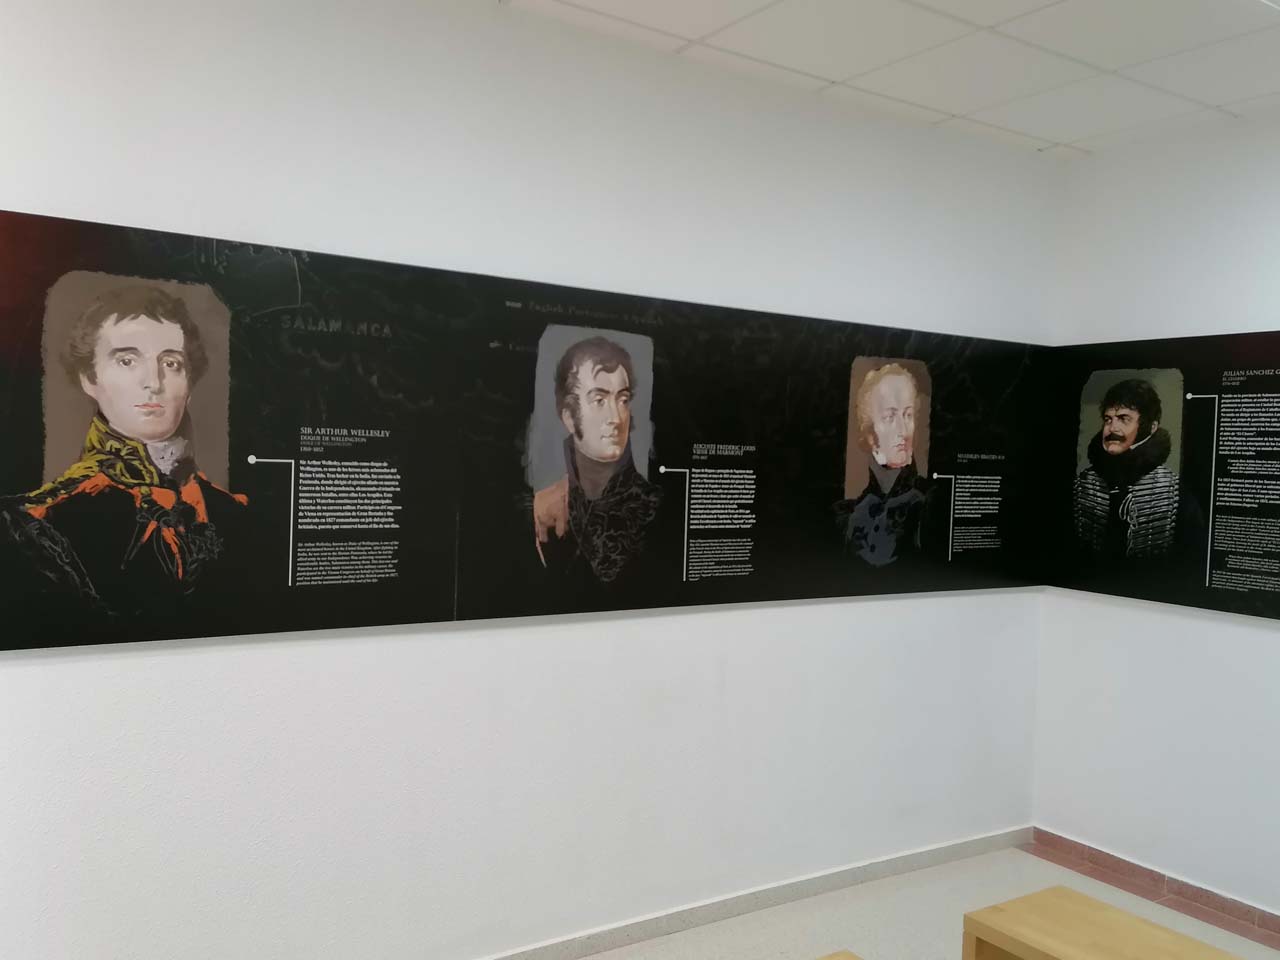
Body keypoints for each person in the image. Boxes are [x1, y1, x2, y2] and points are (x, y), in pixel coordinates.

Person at [1, 285, 248, 622]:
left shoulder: (230, 511)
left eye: (171, 363)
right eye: (127, 361)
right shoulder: (37, 522)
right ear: (89, 378)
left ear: (189, 383)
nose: (154, 382)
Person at [531, 336, 660, 584]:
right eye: (599, 400)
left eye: (622, 400)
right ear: (569, 417)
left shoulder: (653, 504)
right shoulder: (544, 505)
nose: (616, 417)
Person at [1074, 377, 1199, 560]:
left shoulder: (1175, 494)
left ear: (1152, 427)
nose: (1112, 428)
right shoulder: (1083, 484)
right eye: (1108, 419)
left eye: (1124, 419)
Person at [834, 362, 935, 568]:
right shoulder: (850, 513)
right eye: (890, 417)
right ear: (870, 433)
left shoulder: (926, 503)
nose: (903, 430)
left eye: (908, 415)